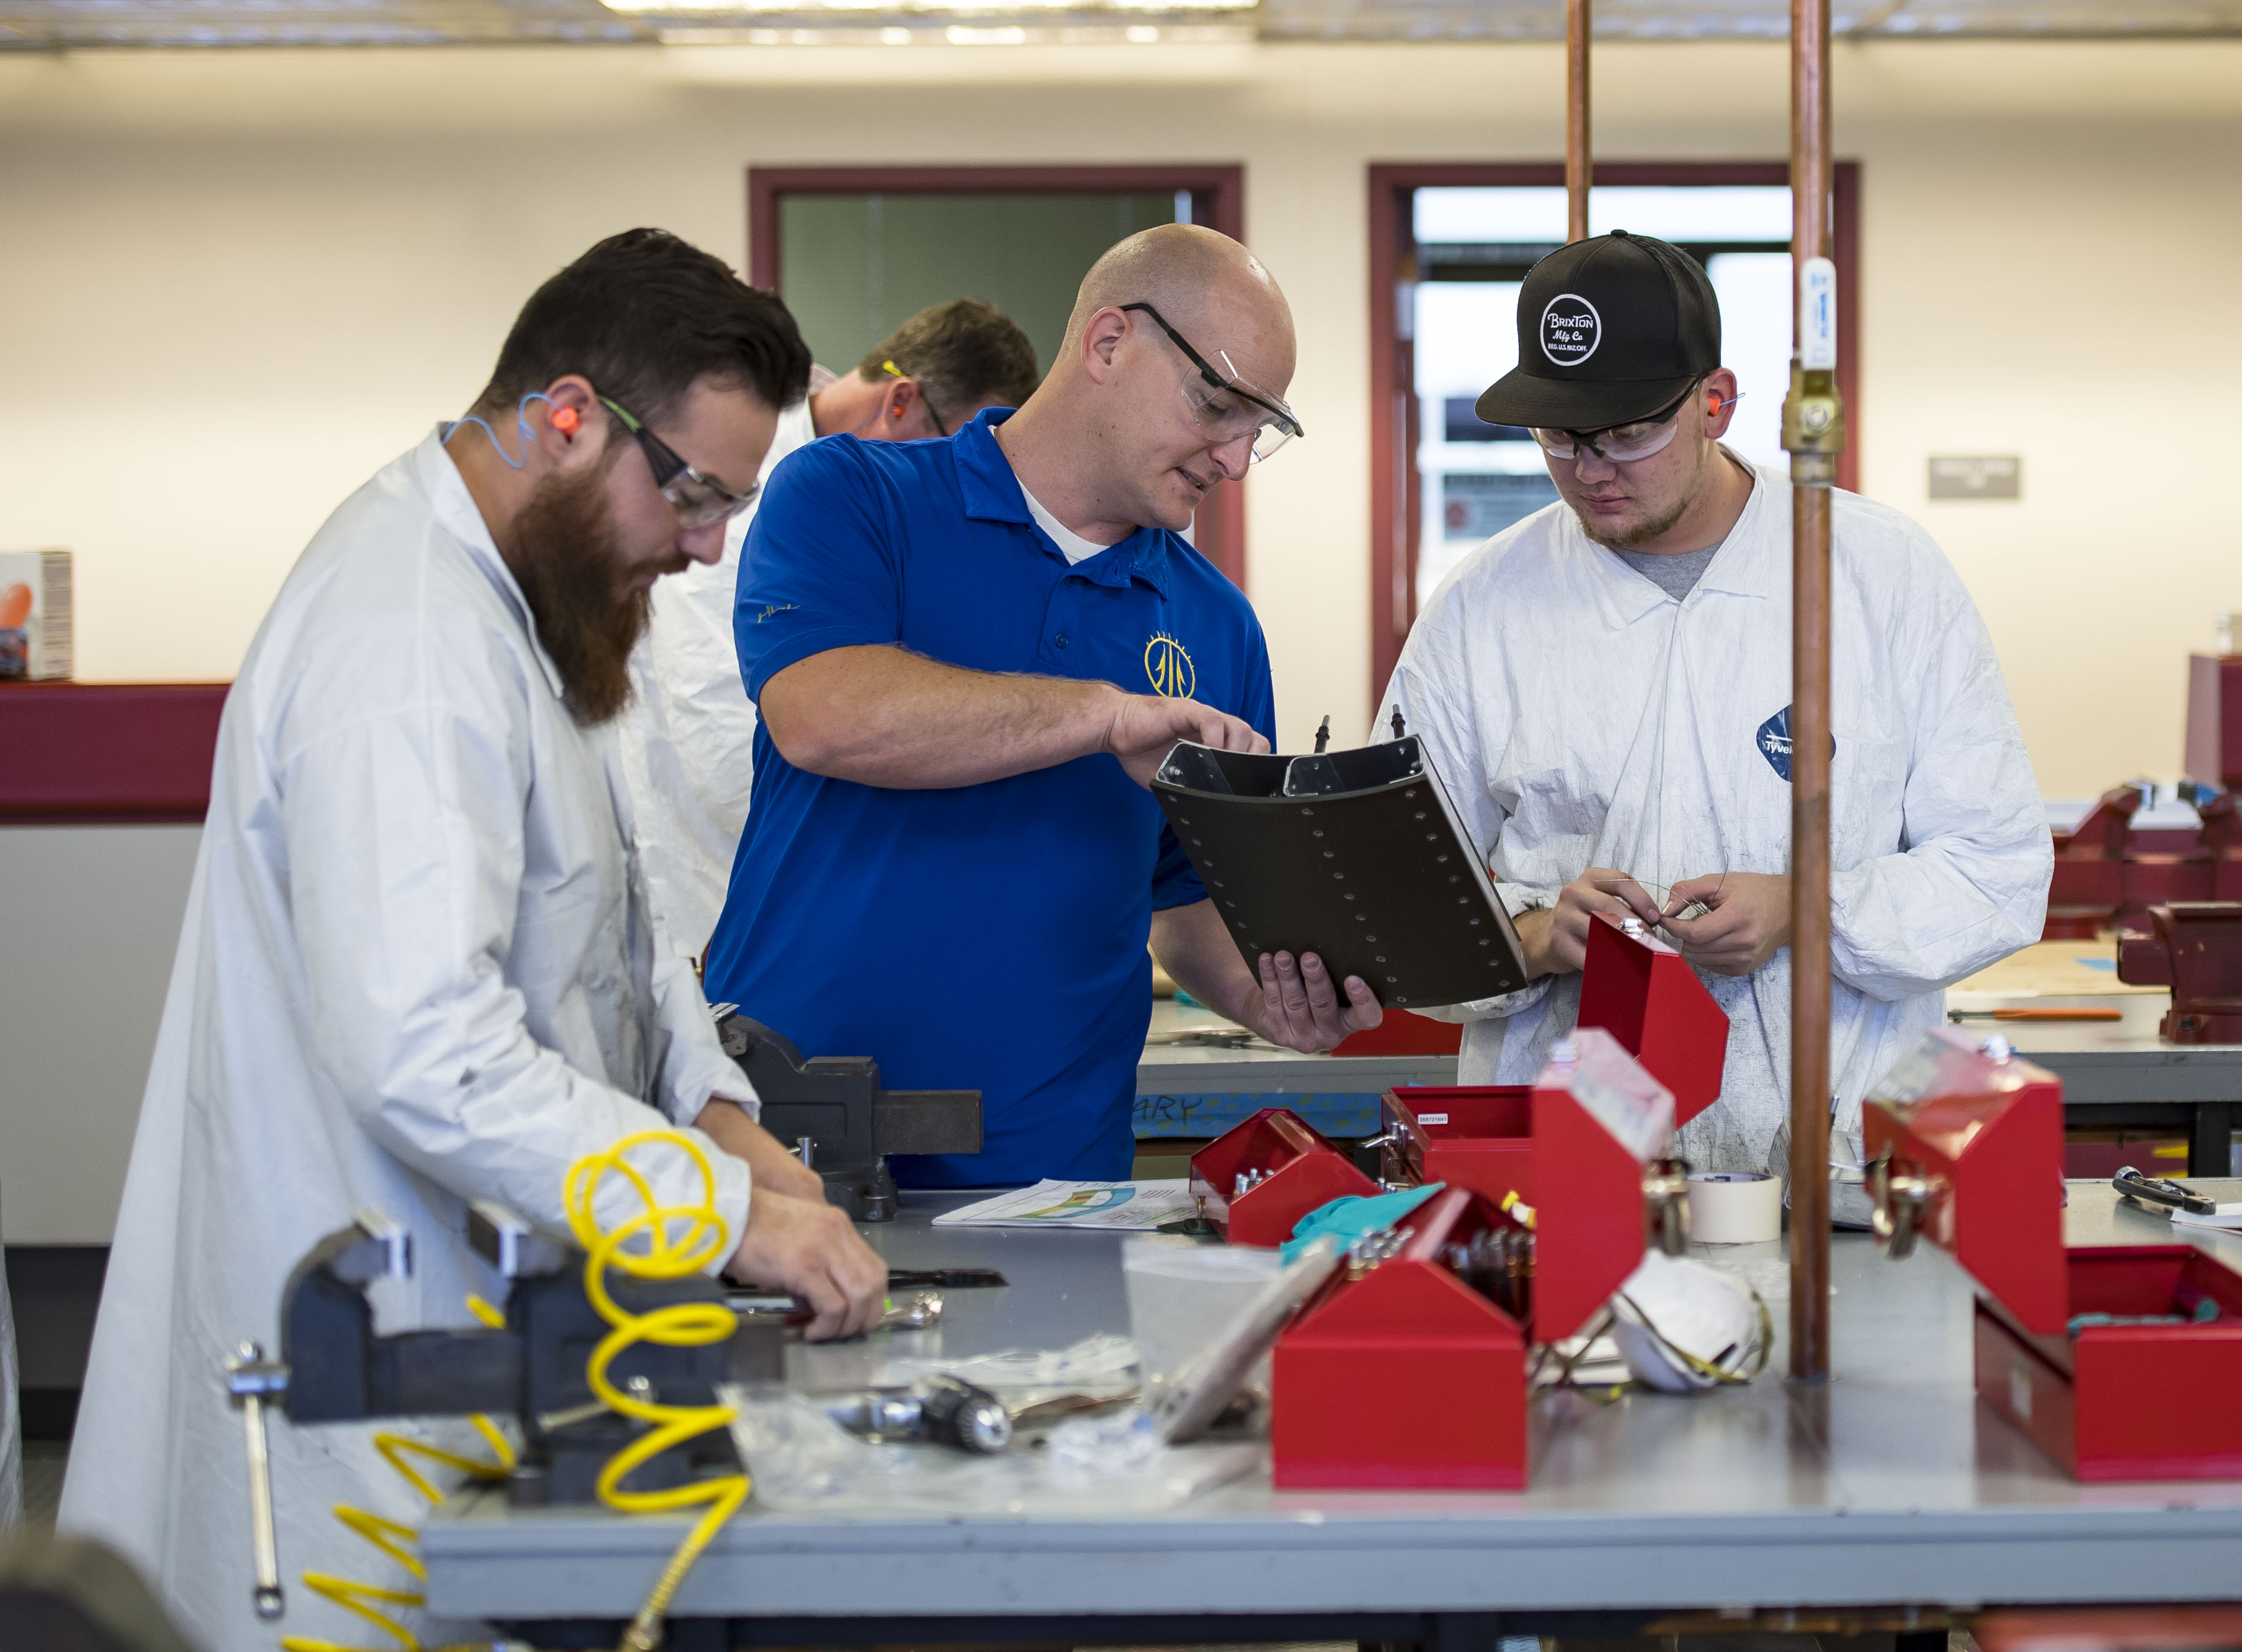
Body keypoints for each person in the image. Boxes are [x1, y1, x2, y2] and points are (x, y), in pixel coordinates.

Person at [58, 229, 888, 1652]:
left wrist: (712, 1111)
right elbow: (425, 1051)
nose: (702, 550)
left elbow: (609, 914)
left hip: (482, 1308)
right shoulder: (407, 638)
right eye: (690, 494)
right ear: (565, 416)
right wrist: (727, 1213)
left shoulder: (528, 606)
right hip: (363, 1342)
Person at [705, 223, 1381, 1187]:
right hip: (789, 1145)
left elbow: (1186, 904)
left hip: (1047, 1180)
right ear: (1110, 344)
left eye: (1259, 428)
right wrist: (1104, 715)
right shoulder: (852, 494)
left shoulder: (1216, 627)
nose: (1234, 459)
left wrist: (1276, 998)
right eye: (1218, 405)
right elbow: (824, 715)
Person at [1384, 230, 2050, 1177]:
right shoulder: (1482, 605)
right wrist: (1532, 935)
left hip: (1841, 1165)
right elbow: (1398, 899)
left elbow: (1999, 871)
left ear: (1716, 402)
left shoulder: (1873, 575)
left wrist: (1810, 910)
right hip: (1574, 1171)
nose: (1590, 469)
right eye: (1558, 438)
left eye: (1626, 433)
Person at [619, 298, 1040, 960]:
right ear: (900, 401)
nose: (954, 479)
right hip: (707, 882)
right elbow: (715, 728)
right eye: (952, 446)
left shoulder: (875, 499)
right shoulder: (747, 483)